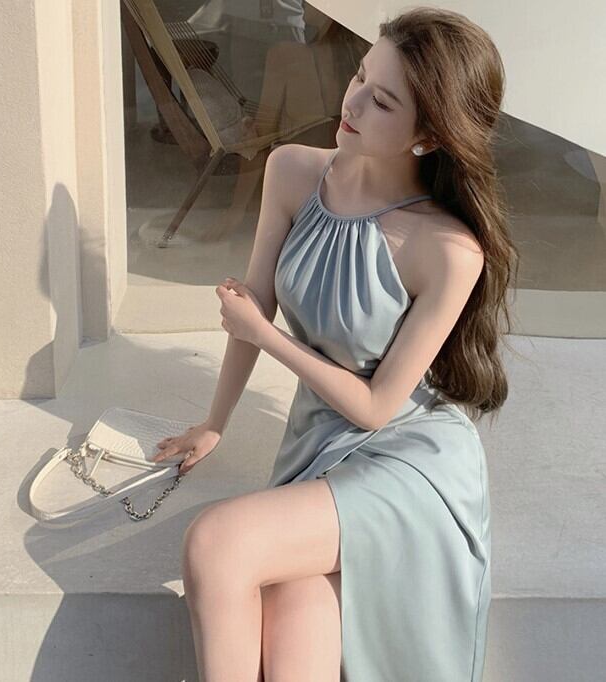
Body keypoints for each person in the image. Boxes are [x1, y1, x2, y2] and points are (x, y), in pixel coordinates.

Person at [153, 6, 517, 681]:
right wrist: (214, 423)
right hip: (317, 442)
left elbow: (376, 406)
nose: (352, 103)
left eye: (382, 101)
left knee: (217, 543)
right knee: (294, 626)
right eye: (358, 77)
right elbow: (256, 300)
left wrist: (266, 337)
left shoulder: (447, 248)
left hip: (410, 462)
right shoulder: (293, 171)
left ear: (429, 135)